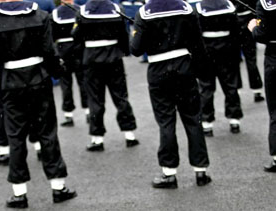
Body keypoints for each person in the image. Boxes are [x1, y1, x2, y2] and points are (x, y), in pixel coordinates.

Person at [0, 0, 76, 208]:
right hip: (38, 79)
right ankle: (58, 187)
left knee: (15, 137)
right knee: (47, 132)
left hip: (11, 83)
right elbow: (48, 51)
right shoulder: (40, 15)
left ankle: (19, 193)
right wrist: (57, 72)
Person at [130, 0, 211, 188]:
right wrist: (201, 72)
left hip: (158, 70)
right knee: (193, 119)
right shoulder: (185, 8)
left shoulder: (144, 12)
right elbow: (198, 45)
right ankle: (201, 170)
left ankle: (169, 172)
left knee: (166, 121)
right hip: (184, 67)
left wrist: (138, 32)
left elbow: (136, 49)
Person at [72, 0, 139, 151]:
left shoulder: (83, 11)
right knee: (121, 96)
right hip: (114, 57)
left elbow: (76, 35)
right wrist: (125, 51)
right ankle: (130, 134)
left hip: (91, 59)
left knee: (95, 100)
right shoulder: (116, 8)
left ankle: (97, 139)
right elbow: (124, 33)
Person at [196, 0, 243, 136]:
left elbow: (197, 34)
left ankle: (206, 122)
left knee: (206, 87)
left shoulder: (199, 7)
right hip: (227, 49)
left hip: (207, 51)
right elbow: (236, 31)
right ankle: (234, 120)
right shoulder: (228, 5)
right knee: (230, 85)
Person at [51, 0, 89, 127]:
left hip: (63, 49)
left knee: (65, 84)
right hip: (78, 49)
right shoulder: (81, 10)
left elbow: (52, 36)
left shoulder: (55, 13)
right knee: (83, 81)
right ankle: (88, 111)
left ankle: (68, 115)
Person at [248, 0, 276, 172]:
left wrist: (253, 27)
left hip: (274, 56)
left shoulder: (265, 4)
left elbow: (261, 35)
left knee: (275, 109)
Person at [233, 0, 264, 103]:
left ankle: (236, 89)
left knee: (235, 59)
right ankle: (257, 89)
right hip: (248, 19)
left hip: (234, 21)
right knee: (251, 58)